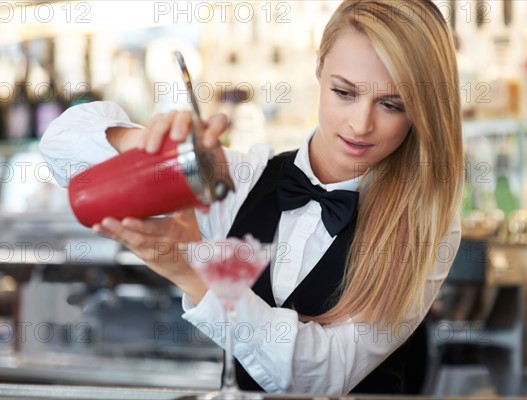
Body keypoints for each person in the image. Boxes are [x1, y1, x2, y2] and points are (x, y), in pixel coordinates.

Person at [40, 0, 463, 395]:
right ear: (318, 69)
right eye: (344, 92)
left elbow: (323, 374)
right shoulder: (240, 178)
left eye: (392, 104)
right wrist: (156, 146)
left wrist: (193, 269)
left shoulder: (428, 225)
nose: (360, 123)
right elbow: (61, 149)